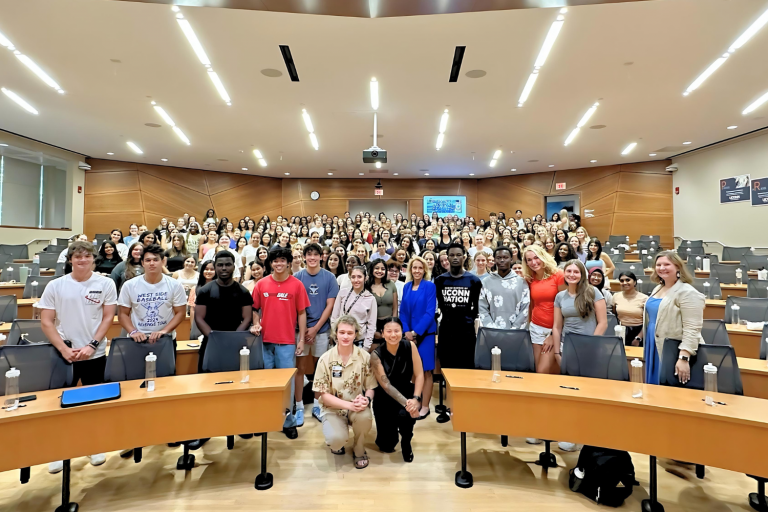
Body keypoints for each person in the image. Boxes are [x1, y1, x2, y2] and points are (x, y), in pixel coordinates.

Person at [39, 241, 118, 473]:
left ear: (94, 259)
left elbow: (107, 318)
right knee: (61, 403)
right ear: (70, 260)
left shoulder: (105, 283)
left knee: (92, 402)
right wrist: (64, 349)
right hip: (64, 354)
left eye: (87, 257)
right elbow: (46, 321)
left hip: (95, 353)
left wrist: (92, 345)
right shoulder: (56, 285)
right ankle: (58, 451)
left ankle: (93, 445)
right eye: (77, 257)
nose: (82, 260)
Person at [250, 247, 310, 438]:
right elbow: (254, 309)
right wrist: (256, 323)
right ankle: (265, 419)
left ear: (288, 262)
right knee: (265, 384)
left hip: (286, 342)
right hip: (265, 342)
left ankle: (288, 422)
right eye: (275, 261)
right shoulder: (261, 284)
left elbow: (302, 313)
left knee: (287, 385)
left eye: (282, 260)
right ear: (270, 263)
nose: (278, 264)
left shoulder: (297, 285)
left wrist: (301, 339)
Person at [312, 315, 377, 469]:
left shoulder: (365, 357)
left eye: (350, 333)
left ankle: (359, 448)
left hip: (357, 405)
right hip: (333, 408)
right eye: (342, 332)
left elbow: (370, 387)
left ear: (356, 334)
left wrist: (366, 400)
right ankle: (338, 441)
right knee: (336, 441)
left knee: (365, 417)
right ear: (336, 334)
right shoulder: (325, 359)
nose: (346, 336)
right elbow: (324, 396)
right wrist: (349, 406)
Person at [642, 251, 704, 385]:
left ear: (677, 267)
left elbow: (692, 328)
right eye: (658, 265)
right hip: (653, 342)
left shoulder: (687, 292)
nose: (662, 268)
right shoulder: (658, 288)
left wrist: (684, 357)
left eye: (666, 264)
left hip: (673, 348)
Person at [293, 244, 339, 424]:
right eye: (308, 254)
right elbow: (296, 307)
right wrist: (304, 330)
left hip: (321, 330)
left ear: (322, 257)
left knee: (321, 371)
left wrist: (315, 328)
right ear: (304, 257)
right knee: (300, 369)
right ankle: (298, 407)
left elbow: (330, 305)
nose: (312, 257)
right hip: (300, 331)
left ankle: (318, 406)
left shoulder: (329, 277)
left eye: (315, 254)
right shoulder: (297, 277)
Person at [370, 317, 423, 462]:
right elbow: (386, 386)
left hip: (407, 391)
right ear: (382, 333)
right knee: (386, 445)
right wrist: (408, 404)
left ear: (401, 332)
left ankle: (406, 441)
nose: (393, 335)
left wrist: (416, 399)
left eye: (397, 331)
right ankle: (392, 432)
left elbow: (419, 375)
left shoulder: (410, 346)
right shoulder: (375, 355)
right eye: (389, 331)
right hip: (385, 398)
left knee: (406, 416)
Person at [435, 243, 482, 372]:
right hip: (446, 330)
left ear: (464, 257)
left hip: (466, 331)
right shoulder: (440, 280)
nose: (455, 258)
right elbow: (440, 304)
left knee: (466, 367)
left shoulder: (474, 280)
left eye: (458, 255)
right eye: (452, 255)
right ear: (448, 258)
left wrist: (468, 320)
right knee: (447, 367)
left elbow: (477, 307)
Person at [522, 244, 566, 377]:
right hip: (536, 328)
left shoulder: (558, 275)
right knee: (539, 371)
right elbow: (532, 305)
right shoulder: (530, 279)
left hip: (554, 329)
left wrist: (554, 334)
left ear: (543, 256)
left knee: (544, 370)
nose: (533, 262)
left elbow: (565, 306)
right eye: (529, 260)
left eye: (536, 257)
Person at [478, 246, 530, 330]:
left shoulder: (521, 282)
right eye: (499, 258)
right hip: (493, 332)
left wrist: (514, 329)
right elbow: (482, 308)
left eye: (505, 257)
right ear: (494, 260)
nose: (502, 260)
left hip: (516, 332)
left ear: (511, 259)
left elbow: (525, 309)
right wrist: (492, 328)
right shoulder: (486, 282)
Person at [330, 266, 377, 350]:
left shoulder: (370, 298)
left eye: (359, 277)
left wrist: (366, 347)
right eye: (353, 277)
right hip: (341, 339)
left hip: (359, 341)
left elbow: (371, 325)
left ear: (365, 278)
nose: (356, 280)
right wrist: (336, 338)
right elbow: (334, 317)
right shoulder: (342, 292)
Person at [613, 271, 648, 346]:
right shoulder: (616, 296)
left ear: (635, 282)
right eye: (622, 281)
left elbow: (648, 321)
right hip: (621, 331)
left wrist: (639, 337)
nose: (624, 283)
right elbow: (614, 314)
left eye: (628, 280)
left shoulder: (644, 298)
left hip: (638, 332)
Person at [369, 259, 398, 343]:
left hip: (389, 322)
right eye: (377, 268)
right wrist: (372, 330)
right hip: (373, 325)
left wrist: (393, 323)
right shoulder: (366, 286)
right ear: (372, 270)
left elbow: (395, 307)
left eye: (382, 269)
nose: (379, 271)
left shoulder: (391, 284)